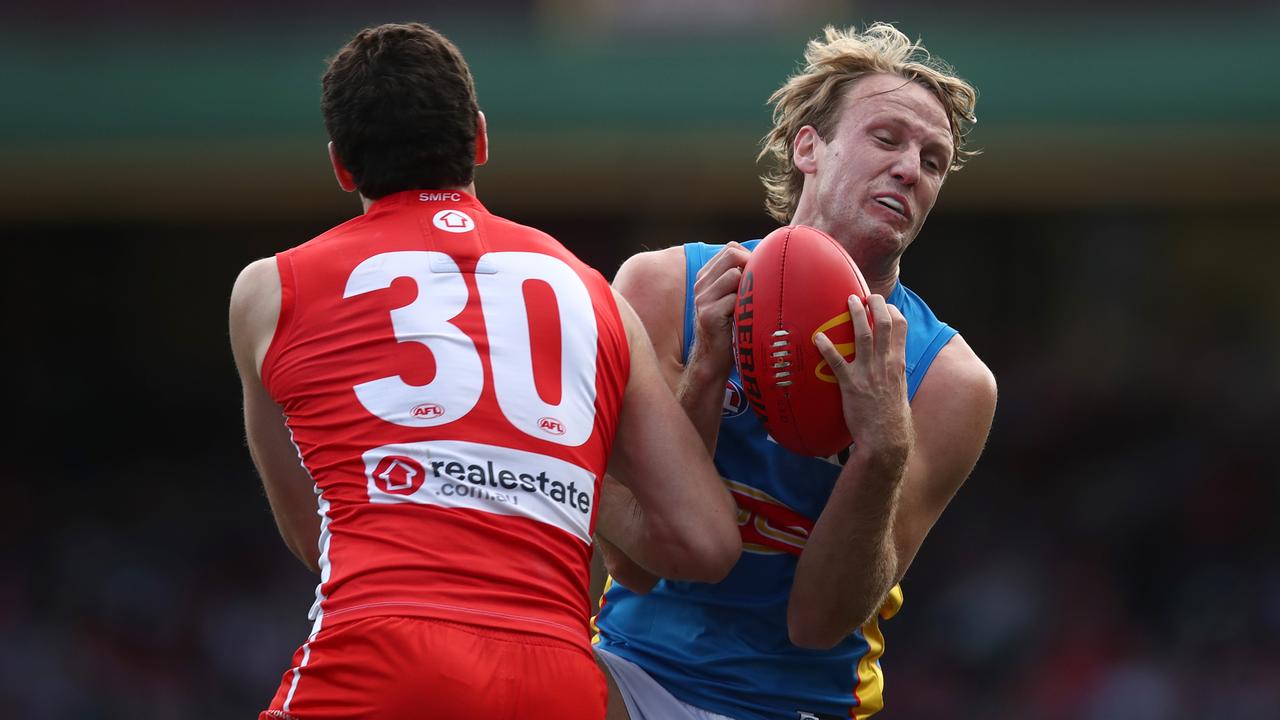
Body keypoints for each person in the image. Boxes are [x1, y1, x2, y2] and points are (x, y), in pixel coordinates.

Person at [228, 23, 741, 720]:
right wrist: (549, 485)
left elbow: (312, 535)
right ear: (480, 139)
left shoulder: (268, 292)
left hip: (381, 655)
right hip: (555, 678)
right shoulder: (594, 296)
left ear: (341, 166)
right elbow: (706, 541)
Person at [592, 23, 998, 720]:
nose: (910, 168)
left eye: (933, 161)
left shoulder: (951, 381)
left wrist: (882, 449)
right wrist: (704, 381)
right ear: (808, 146)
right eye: (887, 138)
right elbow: (632, 563)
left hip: (798, 702)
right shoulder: (661, 288)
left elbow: (818, 621)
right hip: (631, 671)